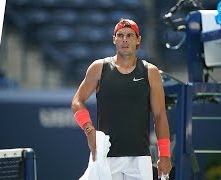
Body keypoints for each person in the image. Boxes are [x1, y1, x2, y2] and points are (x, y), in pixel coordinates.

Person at [71, 18, 172, 180]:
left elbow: (160, 116)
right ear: (114, 39)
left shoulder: (150, 72)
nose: (125, 39)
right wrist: (89, 131)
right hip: (106, 157)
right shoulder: (99, 68)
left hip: (140, 158)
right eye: (120, 35)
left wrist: (165, 155)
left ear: (138, 40)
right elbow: (77, 101)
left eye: (130, 35)